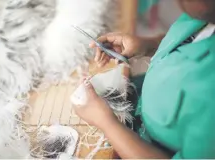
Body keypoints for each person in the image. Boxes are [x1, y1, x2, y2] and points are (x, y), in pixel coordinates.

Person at [73, 0, 215, 159]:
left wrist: (106, 123)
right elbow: (189, 38)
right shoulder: (205, 16)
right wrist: (148, 45)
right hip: (146, 95)